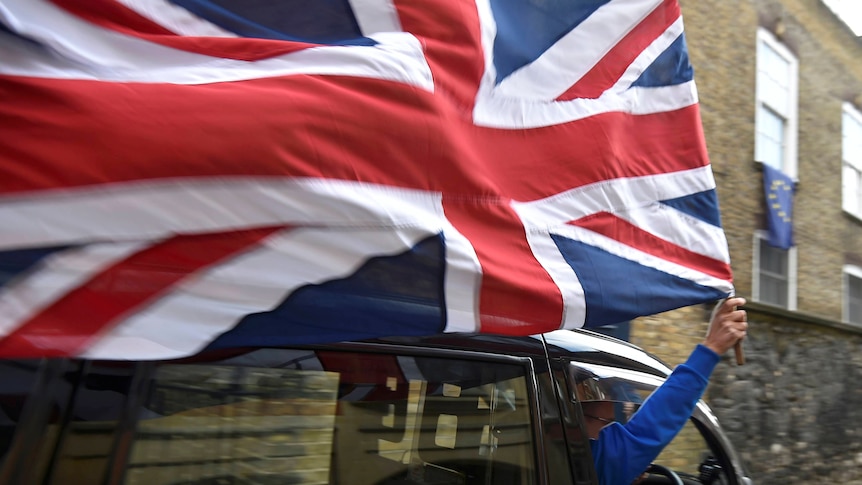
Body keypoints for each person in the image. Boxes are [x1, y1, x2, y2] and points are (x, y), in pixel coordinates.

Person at [583, 297, 748, 485]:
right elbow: (651, 426)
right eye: (604, 423)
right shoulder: (588, 461)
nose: (609, 432)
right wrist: (711, 348)